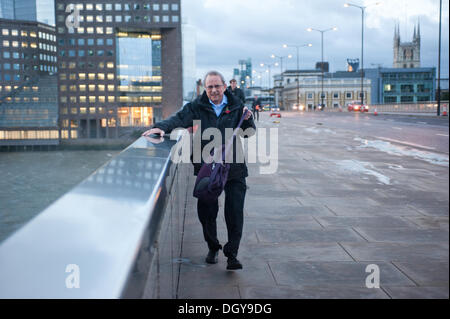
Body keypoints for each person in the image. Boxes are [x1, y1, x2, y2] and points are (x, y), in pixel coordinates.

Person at [142, 71, 255, 270]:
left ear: (224, 86)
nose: (213, 90)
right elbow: (178, 118)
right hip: (207, 167)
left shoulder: (236, 105)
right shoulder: (197, 106)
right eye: (209, 87)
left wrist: (248, 118)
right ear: (205, 88)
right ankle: (213, 246)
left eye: (217, 86)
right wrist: (160, 127)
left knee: (235, 212)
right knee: (206, 211)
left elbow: (249, 132)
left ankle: (232, 254)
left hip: (234, 166)